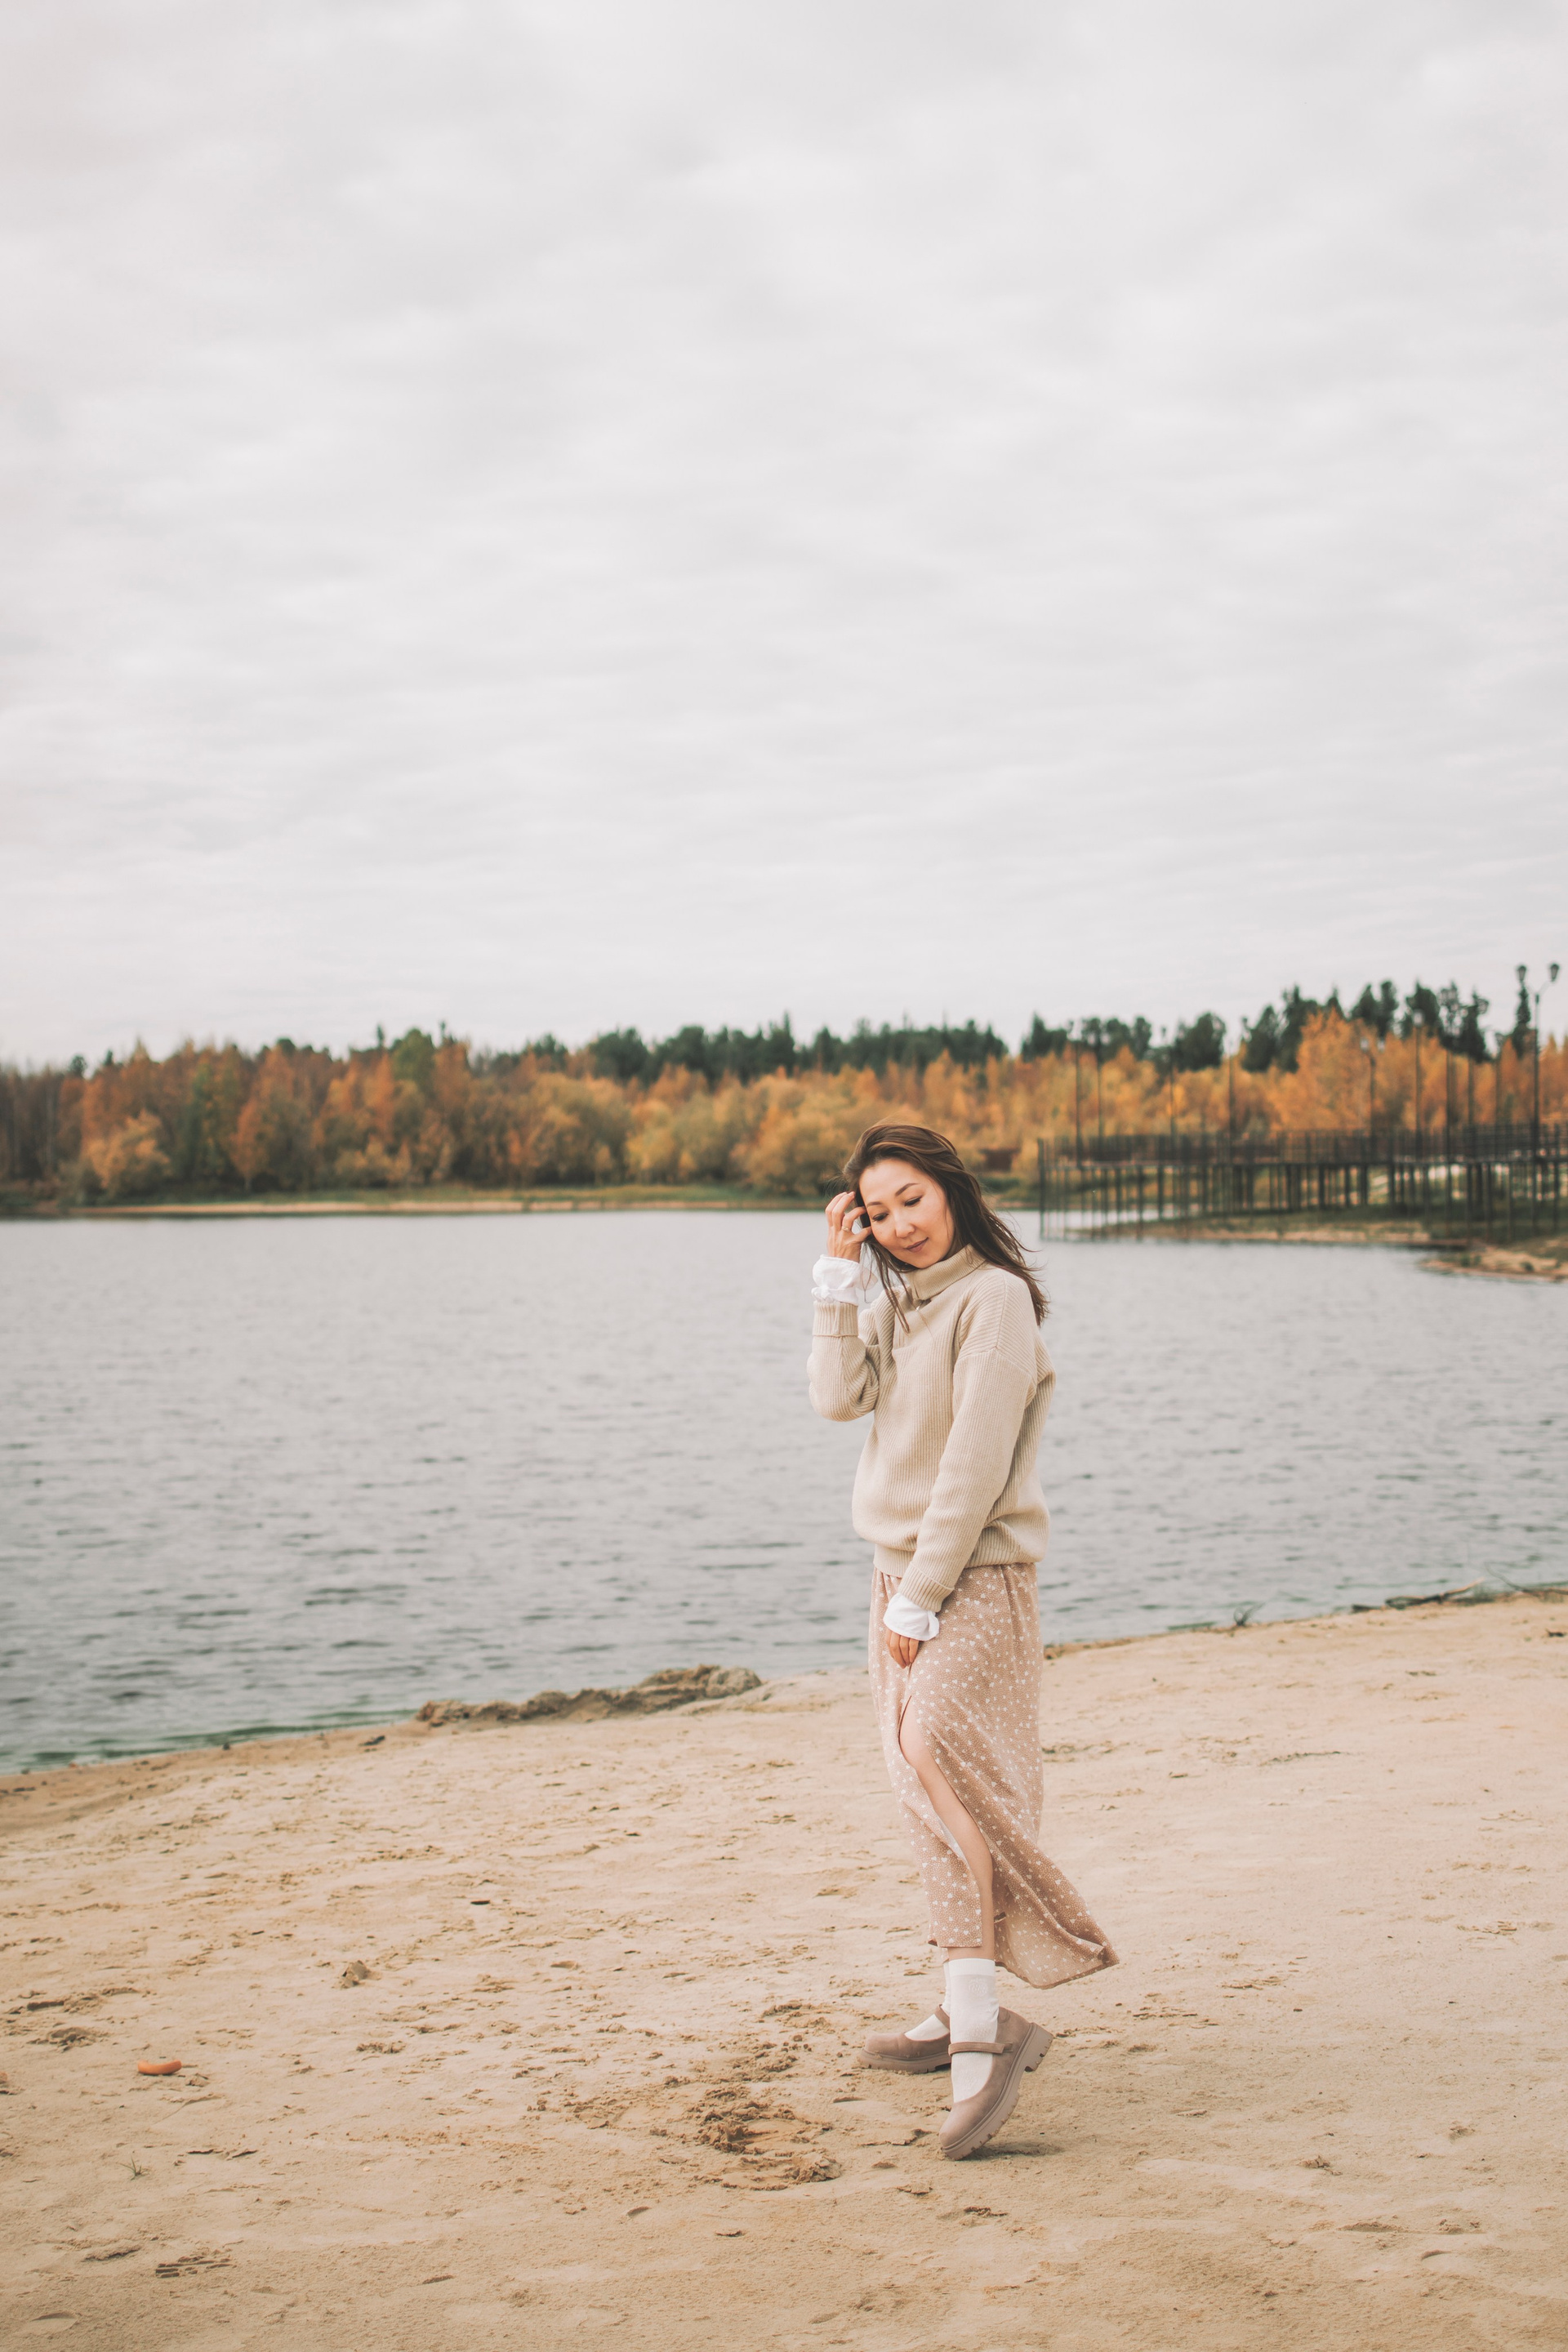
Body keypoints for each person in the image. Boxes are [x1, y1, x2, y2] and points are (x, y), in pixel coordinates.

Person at [808, 1120, 1116, 2159]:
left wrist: (921, 1598)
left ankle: (987, 2027)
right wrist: (836, 1281)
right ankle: (963, 2001)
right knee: (923, 1792)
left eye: (912, 1200)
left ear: (951, 1190)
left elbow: (976, 1466)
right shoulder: (896, 1301)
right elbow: (834, 1400)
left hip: (970, 1578)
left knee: (940, 1758)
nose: (900, 1224)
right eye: (878, 1211)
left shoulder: (995, 1300)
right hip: (898, 1576)